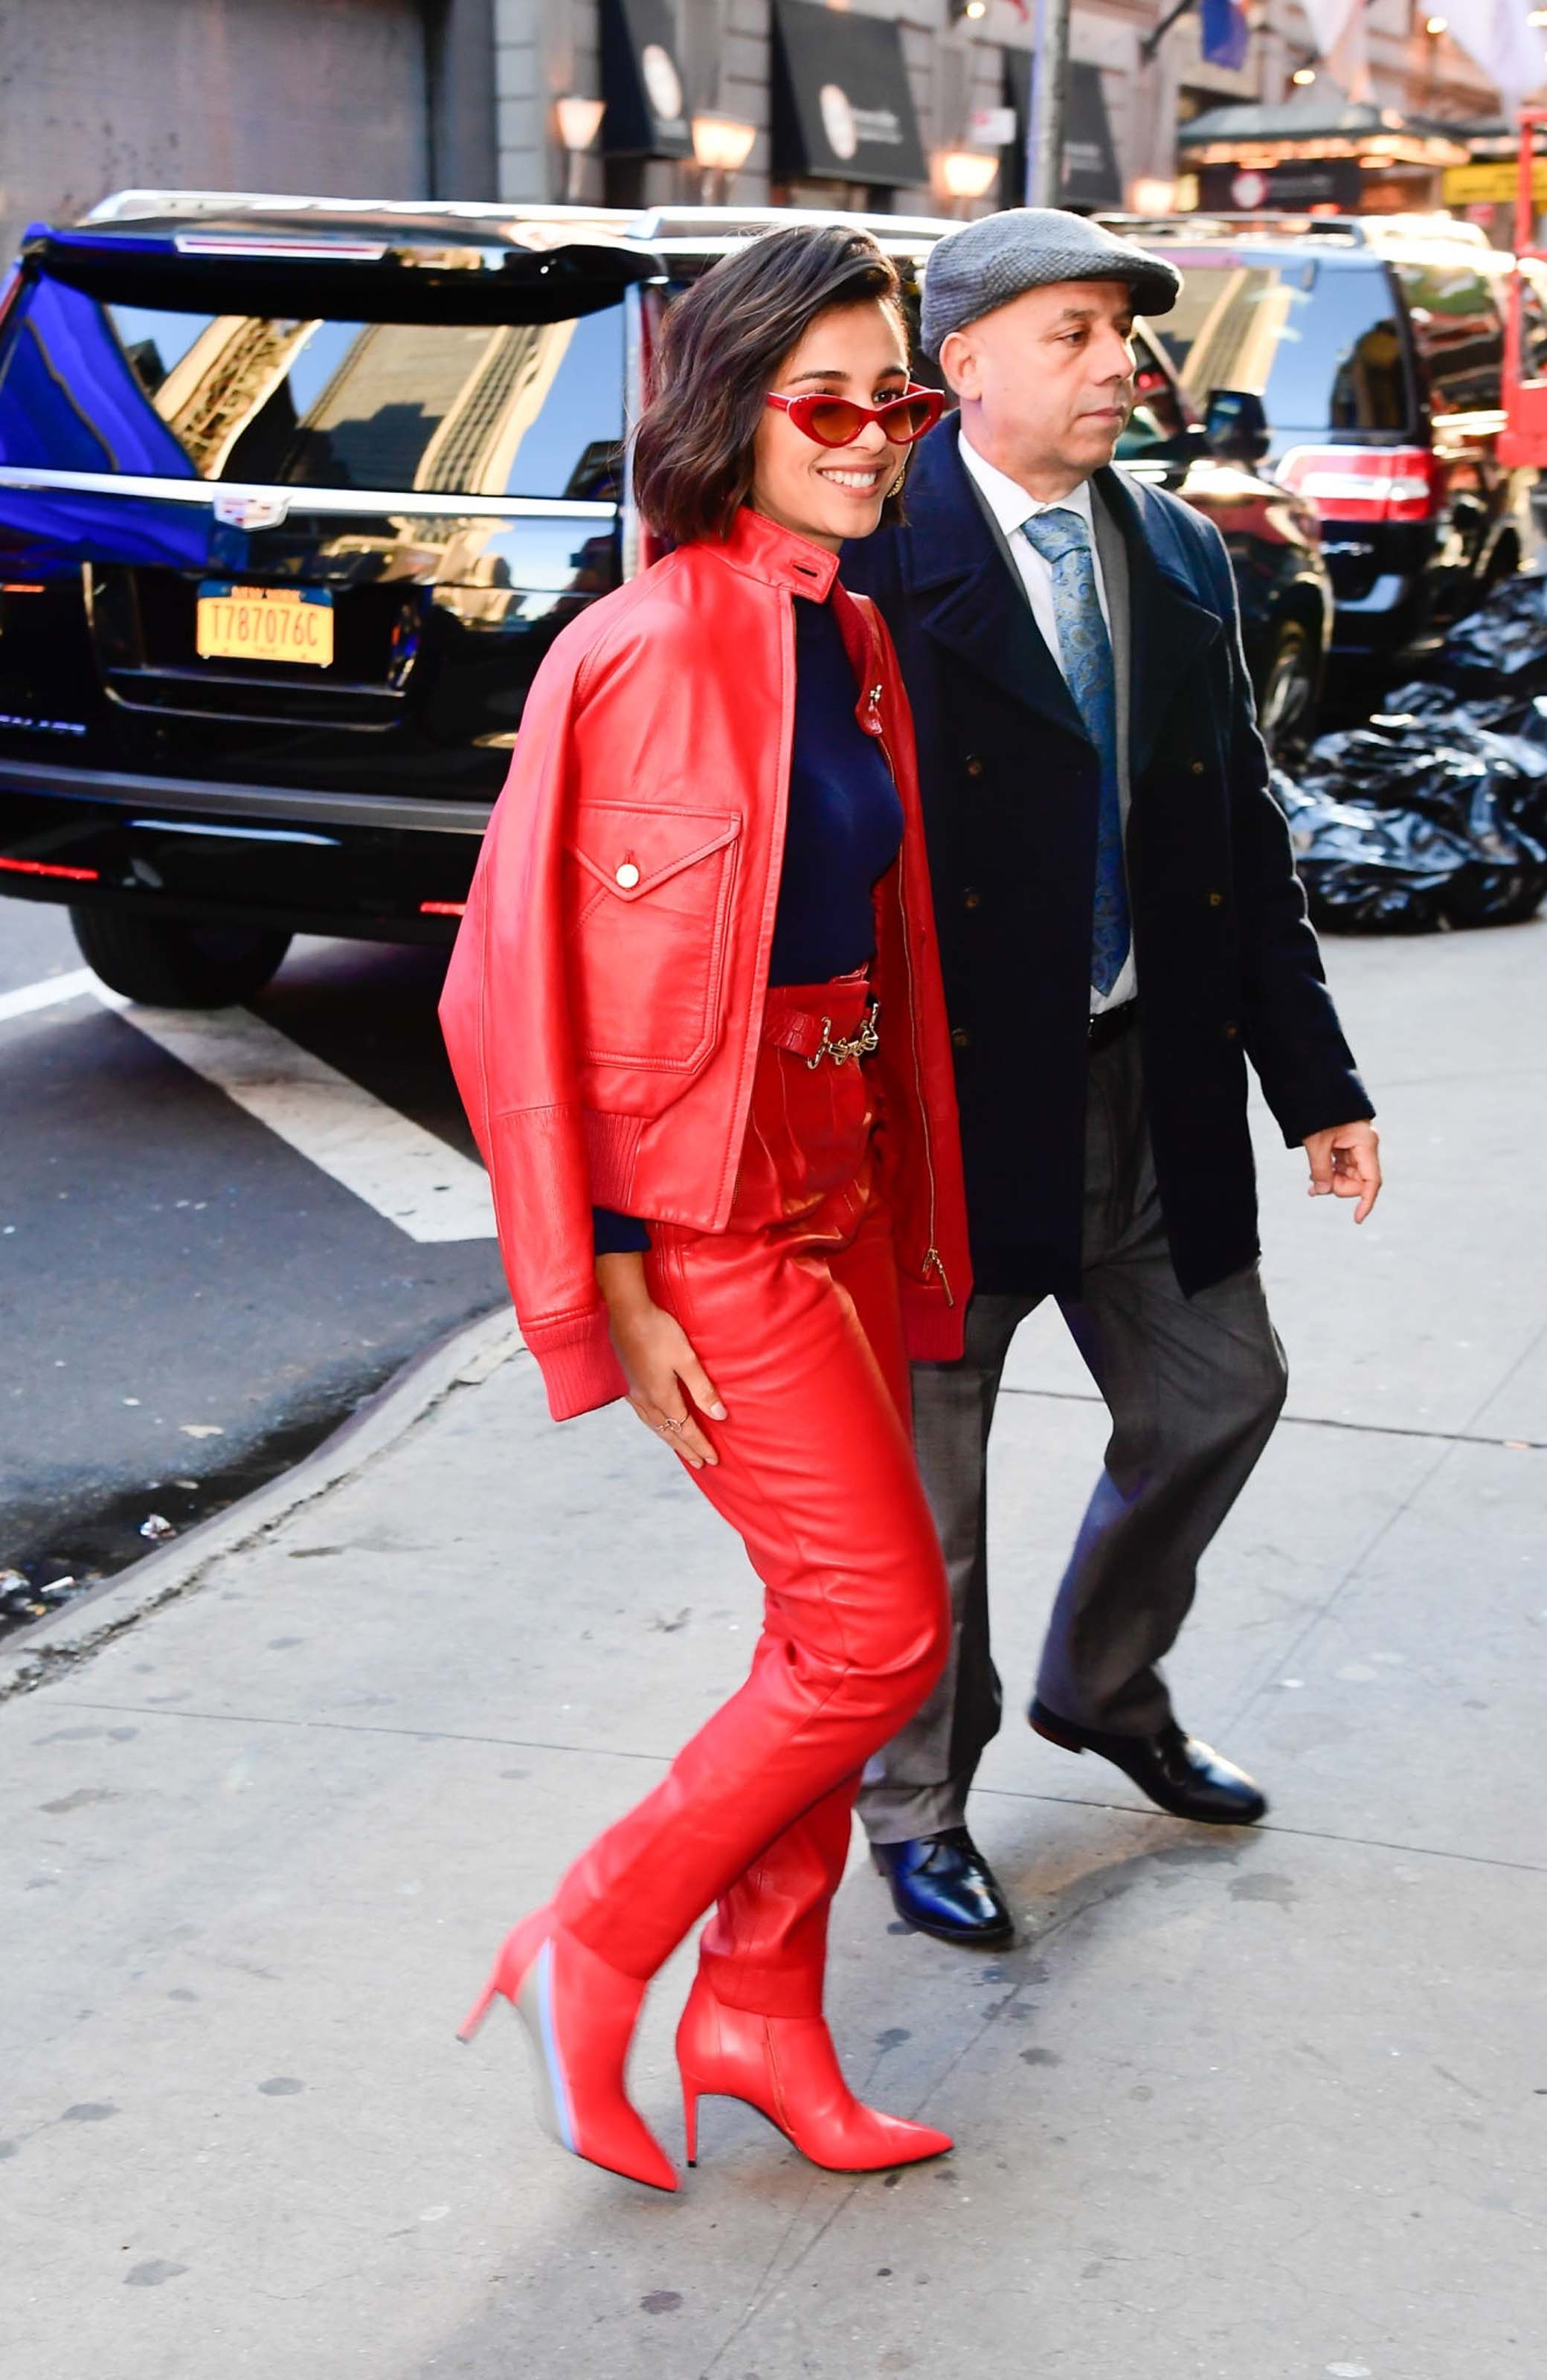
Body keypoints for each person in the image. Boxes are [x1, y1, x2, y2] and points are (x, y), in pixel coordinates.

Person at [438, 224, 971, 2188]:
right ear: (728, 404)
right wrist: (609, 1277)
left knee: (821, 1630)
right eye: (827, 398)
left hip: (831, 1196)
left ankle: (758, 2016)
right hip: (717, 1227)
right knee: (872, 1635)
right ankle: (598, 1936)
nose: (869, 434)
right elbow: (520, 986)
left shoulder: (842, 632)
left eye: (894, 399)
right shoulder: (645, 647)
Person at [841, 210, 1382, 1949]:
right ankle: (917, 1802)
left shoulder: (1170, 548)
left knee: (1217, 1390)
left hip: (1150, 1084)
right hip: (936, 1107)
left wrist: (1314, 1086)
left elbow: (1238, 831)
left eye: (1123, 335)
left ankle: (1101, 1683)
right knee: (931, 1489)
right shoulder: (859, 563)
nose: (1116, 367)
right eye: (1070, 332)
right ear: (963, 363)